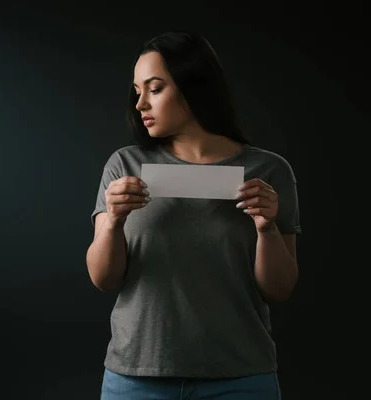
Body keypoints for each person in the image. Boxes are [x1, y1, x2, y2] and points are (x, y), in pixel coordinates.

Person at [86, 31, 301, 400]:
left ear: (193, 86)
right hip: (137, 377)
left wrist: (266, 228)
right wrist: (114, 222)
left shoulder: (268, 170)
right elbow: (103, 279)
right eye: (137, 90)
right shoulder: (124, 165)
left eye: (154, 89)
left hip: (240, 375)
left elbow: (279, 289)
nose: (140, 104)